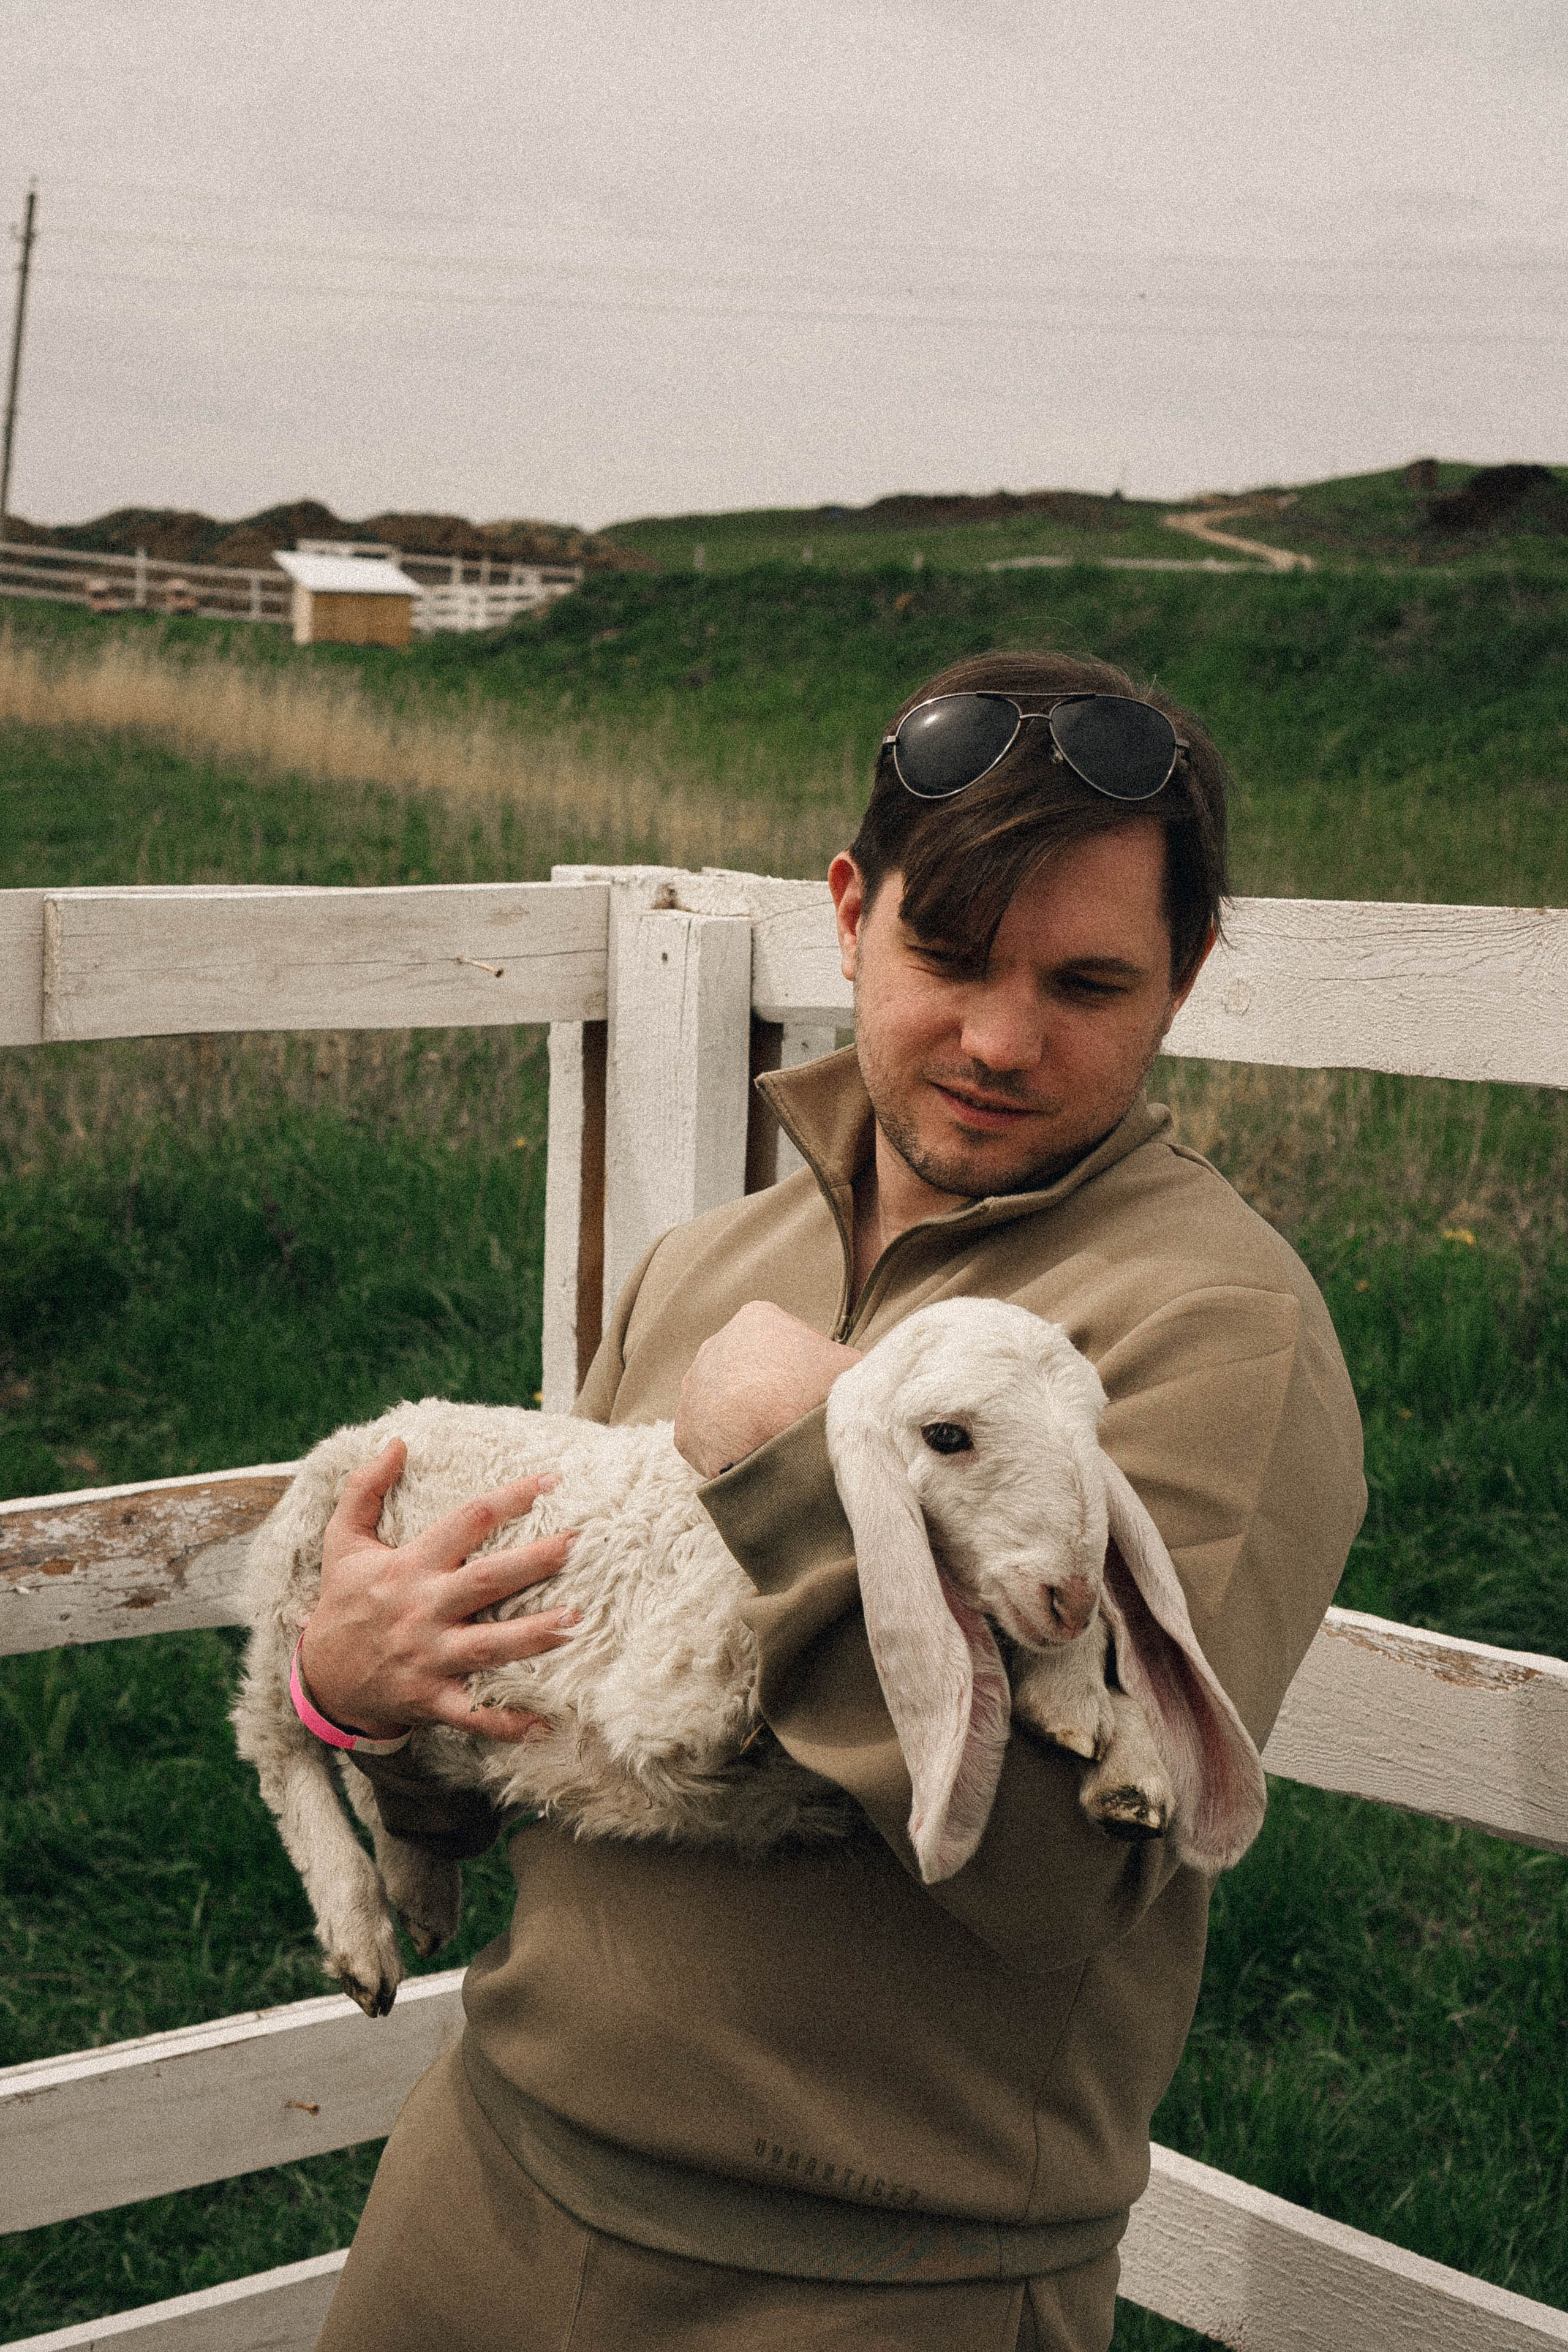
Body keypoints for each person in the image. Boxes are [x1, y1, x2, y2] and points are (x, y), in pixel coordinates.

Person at [303, 648, 1365, 2352]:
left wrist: (794, 1468)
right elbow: (531, 1729)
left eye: (1089, 982)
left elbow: (1058, 1882)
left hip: (867, 2288)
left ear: (1188, 978)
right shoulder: (711, 1266)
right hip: (480, 2183)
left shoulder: (1211, 1334)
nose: (1001, 1040)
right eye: (947, 954)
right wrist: (365, 1705)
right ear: (851, 913)